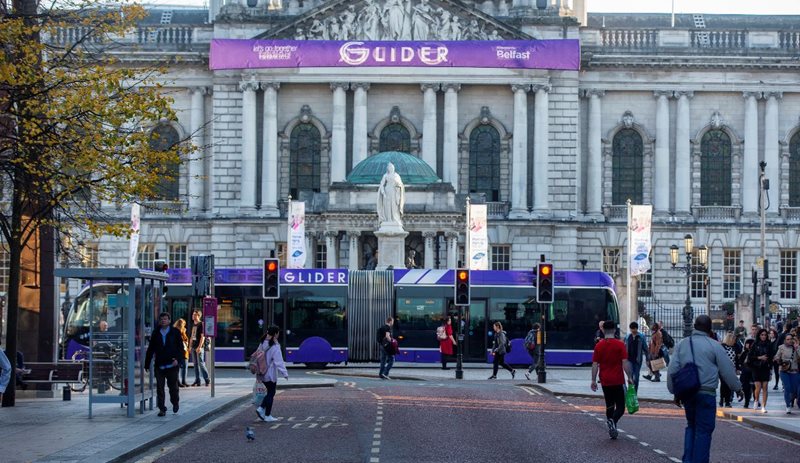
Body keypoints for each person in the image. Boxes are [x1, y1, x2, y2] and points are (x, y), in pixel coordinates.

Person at [667, 315, 742, 463]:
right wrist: (737, 388)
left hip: (688, 392)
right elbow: (727, 370)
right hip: (706, 392)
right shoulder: (715, 345)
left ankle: (688, 460)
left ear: (694, 326)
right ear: (710, 329)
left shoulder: (683, 344)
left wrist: (674, 391)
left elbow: (672, 369)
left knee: (691, 426)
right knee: (704, 431)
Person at [591, 320, 634, 440]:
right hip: (618, 380)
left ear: (603, 330)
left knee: (609, 404)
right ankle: (613, 421)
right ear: (614, 330)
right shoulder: (620, 345)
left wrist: (593, 380)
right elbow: (625, 363)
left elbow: (595, 364)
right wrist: (629, 377)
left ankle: (611, 422)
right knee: (620, 406)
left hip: (605, 380)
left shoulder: (598, 345)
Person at [144, 312, 186, 416]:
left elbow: (181, 349)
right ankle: (162, 409)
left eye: (165, 319)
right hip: (160, 365)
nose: (163, 321)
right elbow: (151, 349)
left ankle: (175, 402)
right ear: (159, 321)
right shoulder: (156, 333)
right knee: (160, 388)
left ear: (169, 320)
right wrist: (147, 363)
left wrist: (178, 360)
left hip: (172, 364)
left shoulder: (175, 332)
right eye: (162, 319)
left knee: (173, 388)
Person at [255, 325, 289, 422]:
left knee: (270, 392)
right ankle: (267, 414)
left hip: (261, 372)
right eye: (278, 333)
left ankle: (262, 409)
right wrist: (285, 373)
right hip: (270, 373)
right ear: (275, 334)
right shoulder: (275, 346)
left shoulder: (262, 343)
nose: (278, 334)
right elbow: (279, 361)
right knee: (271, 392)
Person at [772, 333, 799, 414]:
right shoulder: (781, 347)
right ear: (784, 340)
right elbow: (776, 356)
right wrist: (778, 359)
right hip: (784, 371)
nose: (789, 340)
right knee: (787, 388)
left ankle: (793, 401)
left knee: (794, 390)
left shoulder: (796, 347)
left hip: (794, 371)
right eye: (787, 339)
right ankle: (788, 405)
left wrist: (797, 348)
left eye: (791, 339)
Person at [749, 328, 773, 413]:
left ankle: (763, 406)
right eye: (762, 335)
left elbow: (771, 356)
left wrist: (769, 363)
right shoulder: (755, 344)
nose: (764, 336)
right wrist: (759, 357)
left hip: (765, 368)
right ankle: (756, 400)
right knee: (758, 387)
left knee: (765, 387)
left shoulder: (769, 345)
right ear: (759, 335)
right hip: (756, 368)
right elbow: (750, 357)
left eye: (765, 335)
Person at [377, 162, 405, 227]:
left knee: (394, 205)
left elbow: (400, 184)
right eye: (390, 167)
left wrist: (398, 185)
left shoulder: (396, 175)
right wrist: (383, 192)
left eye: (392, 167)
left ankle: (395, 218)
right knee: (387, 206)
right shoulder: (385, 175)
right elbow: (382, 185)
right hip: (387, 191)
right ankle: (388, 219)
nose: (391, 168)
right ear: (388, 168)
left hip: (394, 192)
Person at [188, 309, 210, 387]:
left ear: (198, 316)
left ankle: (207, 379)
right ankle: (197, 380)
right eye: (193, 314)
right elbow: (191, 336)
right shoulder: (193, 325)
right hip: (193, 346)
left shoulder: (201, 324)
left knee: (201, 364)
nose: (193, 316)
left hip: (199, 347)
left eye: (194, 314)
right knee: (195, 364)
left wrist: (199, 347)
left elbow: (202, 336)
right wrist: (190, 346)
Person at [625, 321, 647, 391]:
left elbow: (645, 348)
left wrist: (648, 358)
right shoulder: (628, 336)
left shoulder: (641, 337)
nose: (632, 330)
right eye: (631, 329)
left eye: (634, 329)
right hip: (629, 360)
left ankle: (635, 392)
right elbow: (624, 347)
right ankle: (631, 392)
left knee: (636, 377)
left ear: (636, 329)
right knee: (630, 377)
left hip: (637, 360)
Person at [719, 332, 737, 408]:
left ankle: (727, 401)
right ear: (730, 339)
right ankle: (722, 399)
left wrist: (737, 368)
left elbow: (736, 358)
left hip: (731, 368)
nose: (734, 341)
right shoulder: (722, 346)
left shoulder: (734, 347)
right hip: (722, 368)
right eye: (733, 340)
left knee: (729, 385)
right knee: (724, 384)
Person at [173, 319, 190, 387]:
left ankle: (183, 381)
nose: (184, 326)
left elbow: (186, 340)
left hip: (184, 351)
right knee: (179, 367)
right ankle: (179, 382)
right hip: (179, 351)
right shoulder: (175, 332)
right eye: (183, 325)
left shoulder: (183, 332)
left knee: (184, 367)